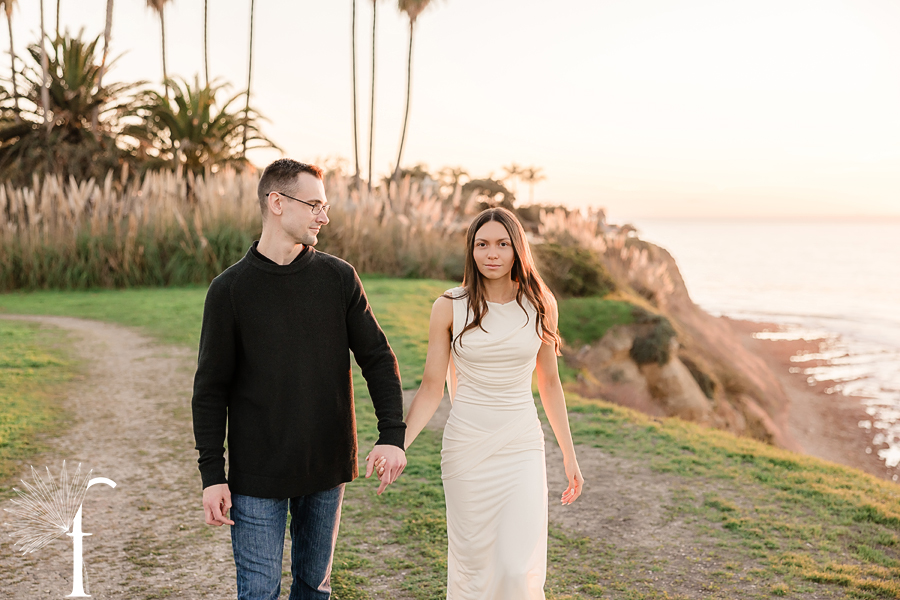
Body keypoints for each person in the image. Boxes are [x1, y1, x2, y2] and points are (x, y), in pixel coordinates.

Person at [191, 158, 407, 600]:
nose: (323, 217)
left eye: (324, 206)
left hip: (326, 467)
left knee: (314, 588)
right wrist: (213, 474)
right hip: (256, 476)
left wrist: (392, 435)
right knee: (258, 593)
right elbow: (210, 390)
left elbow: (379, 359)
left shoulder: (338, 277)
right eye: (313, 205)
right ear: (276, 202)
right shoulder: (229, 290)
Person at [404, 207, 585, 599]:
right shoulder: (448, 307)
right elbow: (432, 386)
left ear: (517, 249)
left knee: (515, 567)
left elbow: (550, 384)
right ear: (471, 250)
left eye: (503, 244)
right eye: (482, 244)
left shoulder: (540, 305)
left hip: (521, 446)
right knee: (474, 568)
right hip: (466, 449)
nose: (492, 254)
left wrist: (569, 457)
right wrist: (397, 445)